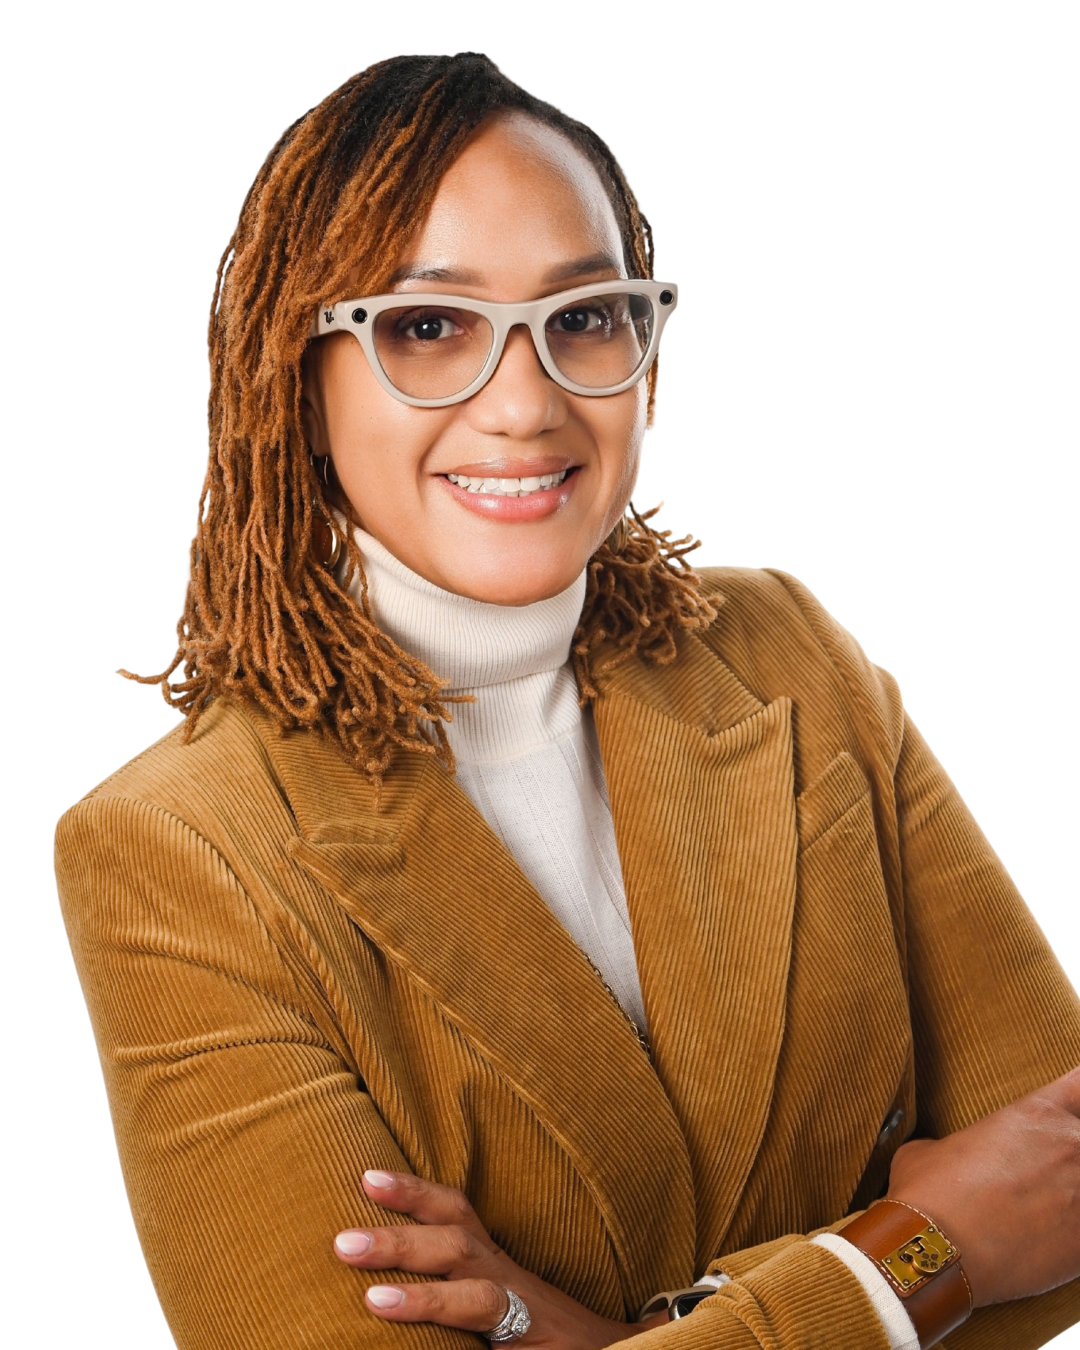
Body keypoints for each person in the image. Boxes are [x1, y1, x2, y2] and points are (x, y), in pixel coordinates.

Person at [55, 52, 1080, 1350]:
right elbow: (995, 1240)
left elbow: (1063, 1201)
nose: (526, 402)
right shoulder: (176, 848)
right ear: (295, 376)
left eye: (585, 315)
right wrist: (910, 1264)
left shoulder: (788, 654)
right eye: (429, 327)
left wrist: (573, 1329)